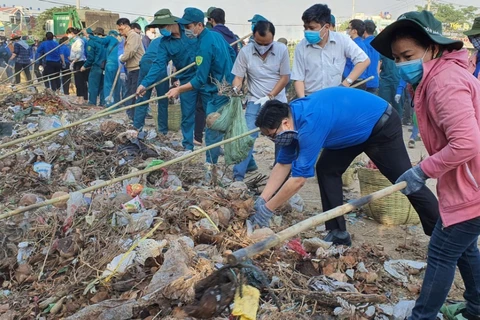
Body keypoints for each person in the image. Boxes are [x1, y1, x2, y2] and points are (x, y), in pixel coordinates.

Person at [371, 10, 480, 319]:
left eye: (408, 55)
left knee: (443, 251)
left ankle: (422, 317)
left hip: (473, 187)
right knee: (465, 248)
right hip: (467, 182)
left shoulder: (444, 81)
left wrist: (423, 170)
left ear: (432, 47)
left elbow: (468, 143)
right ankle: (476, 308)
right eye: (397, 58)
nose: (403, 64)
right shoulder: (432, 79)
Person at [249, 87, 440, 246]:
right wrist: (263, 199)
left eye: (272, 135)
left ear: (284, 122)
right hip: (352, 132)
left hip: (380, 124)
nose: (273, 139)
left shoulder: (309, 124)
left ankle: (443, 232)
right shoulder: (291, 121)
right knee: (327, 169)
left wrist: (268, 210)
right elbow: (283, 163)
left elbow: (298, 180)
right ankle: (338, 233)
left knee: (406, 180)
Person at [166, 7, 236, 172]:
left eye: (188, 27)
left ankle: (210, 166)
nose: (186, 30)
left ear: (199, 25)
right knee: (230, 125)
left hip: (217, 90)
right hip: (227, 86)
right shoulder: (215, 35)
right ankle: (249, 164)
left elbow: (199, 80)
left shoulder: (205, 45)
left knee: (212, 127)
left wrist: (179, 90)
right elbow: (232, 54)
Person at [231, 20, 290, 182]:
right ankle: (237, 178)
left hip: (277, 101)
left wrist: (270, 95)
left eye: (267, 43)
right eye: (259, 43)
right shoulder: (246, 52)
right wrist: (236, 89)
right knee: (246, 138)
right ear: (253, 37)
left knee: (282, 139)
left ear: (273, 39)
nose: (262, 46)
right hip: (255, 101)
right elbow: (238, 77)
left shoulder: (281, 50)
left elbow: (285, 78)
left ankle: (280, 179)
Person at [136, 8, 200, 150]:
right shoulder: (165, 43)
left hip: (205, 74)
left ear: (171, 22)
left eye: (162, 26)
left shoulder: (189, 29)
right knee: (187, 114)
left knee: (212, 111)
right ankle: (188, 147)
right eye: (159, 27)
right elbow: (158, 64)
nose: (161, 29)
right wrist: (144, 83)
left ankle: (217, 144)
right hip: (187, 79)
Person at [291, 4, 369, 97]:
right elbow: (298, 78)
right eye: (305, 28)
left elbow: (364, 61)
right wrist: (304, 101)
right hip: (311, 98)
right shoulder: (301, 47)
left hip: (334, 97)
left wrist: (346, 83)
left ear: (326, 27)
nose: (307, 31)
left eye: (312, 28)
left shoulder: (342, 41)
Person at [133, 31, 168, 131]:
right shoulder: (171, 41)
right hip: (158, 65)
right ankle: (162, 131)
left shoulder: (156, 40)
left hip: (144, 63)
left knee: (141, 97)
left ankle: (137, 127)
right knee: (162, 99)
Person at [117, 18, 145, 120]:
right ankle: (131, 115)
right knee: (129, 93)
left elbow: (131, 51)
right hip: (131, 69)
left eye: (121, 29)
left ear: (126, 26)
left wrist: (122, 58)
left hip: (137, 69)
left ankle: (134, 117)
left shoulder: (133, 35)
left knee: (134, 94)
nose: (120, 32)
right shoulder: (127, 37)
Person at [81, 27, 107, 106]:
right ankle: (102, 103)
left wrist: (84, 66)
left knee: (93, 86)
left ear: (95, 34)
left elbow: (90, 57)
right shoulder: (106, 42)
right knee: (102, 85)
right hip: (105, 66)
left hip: (96, 66)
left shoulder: (92, 42)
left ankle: (92, 102)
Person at [343, 19, 369, 89]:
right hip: (358, 80)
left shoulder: (354, 45)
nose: (347, 30)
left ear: (354, 31)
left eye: (349, 28)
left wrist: (347, 81)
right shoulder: (362, 43)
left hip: (353, 81)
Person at [67, 27, 88, 105]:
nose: (68, 36)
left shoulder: (79, 41)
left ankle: (82, 98)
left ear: (72, 33)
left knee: (80, 81)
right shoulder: (75, 41)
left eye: (68, 34)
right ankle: (79, 97)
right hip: (76, 62)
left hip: (79, 62)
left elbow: (79, 54)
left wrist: (73, 62)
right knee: (78, 81)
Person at [363, 20, 381, 94]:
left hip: (365, 82)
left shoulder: (363, 44)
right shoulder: (377, 43)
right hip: (374, 81)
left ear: (364, 30)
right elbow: (379, 62)